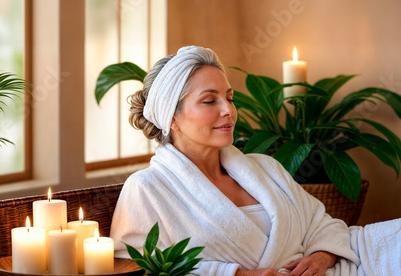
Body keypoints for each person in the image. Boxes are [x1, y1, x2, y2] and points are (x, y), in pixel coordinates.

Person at [110, 46, 401, 276]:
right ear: (172, 117)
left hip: (345, 266)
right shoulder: (147, 189)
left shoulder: (264, 167)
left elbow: (321, 223)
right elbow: (136, 266)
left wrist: (323, 255)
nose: (229, 110)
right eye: (210, 101)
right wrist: (238, 275)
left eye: (230, 97)